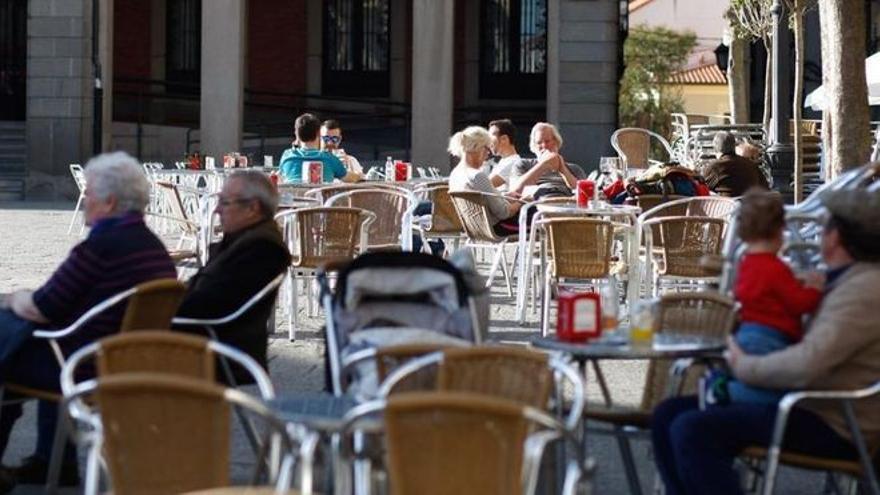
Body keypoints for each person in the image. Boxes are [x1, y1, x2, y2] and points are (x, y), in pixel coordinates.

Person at [652, 185, 880, 495]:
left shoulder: (862, 290)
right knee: (668, 414)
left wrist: (746, 366)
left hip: (835, 421)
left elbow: (808, 362)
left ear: (835, 237)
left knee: (692, 430)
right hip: (810, 405)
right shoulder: (847, 281)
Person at [0, 152, 176, 491]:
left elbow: (44, 306)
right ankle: (52, 463)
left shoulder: (101, 246)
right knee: (14, 343)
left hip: (80, 364)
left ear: (109, 202)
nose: (84, 202)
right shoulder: (153, 247)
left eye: (89, 194)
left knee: (9, 344)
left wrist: (15, 297)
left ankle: (49, 463)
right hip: (118, 360)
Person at [702, 190, 823, 406]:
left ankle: (723, 385)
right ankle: (725, 391)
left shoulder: (747, 264)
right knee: (772, 395)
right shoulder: (776, 268)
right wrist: (815, 288)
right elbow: (799, 304)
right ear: (779, 231)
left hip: (747, 331)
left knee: (756, 386)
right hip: (771, 337)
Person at [175, 170, 290, 381]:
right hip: (204, 339)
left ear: (252, 208)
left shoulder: (261, 248)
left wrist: (157, 310)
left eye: (225, 202)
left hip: (213, 349)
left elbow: (210, 304)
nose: (217, 209)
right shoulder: (244, 240)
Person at [447, 126, 523, 236]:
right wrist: (523, 201)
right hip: (497, 228)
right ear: (476, 148)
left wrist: (505, 195)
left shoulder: (455, 174)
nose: (488, 154)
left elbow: (486, 198)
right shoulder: (477, 176)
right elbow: (504, 212)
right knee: (541, 222)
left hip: (474, 228)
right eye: (487, 149)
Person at [279, 113, 362, 183]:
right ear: (319, 134)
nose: (330, 142)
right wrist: (359, 175)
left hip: (294, 201)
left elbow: (280, 177)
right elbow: (351, 178)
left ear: (297, 134)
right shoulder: (330, 158)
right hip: (320, 201)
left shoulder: (287, 156)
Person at [508, 122, 582, 198]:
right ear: (534, 146)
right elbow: (515, 190)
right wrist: (543, 164)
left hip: (566, 203)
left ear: (556, 142)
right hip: (535, 203)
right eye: (539, 143)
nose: (544, 146)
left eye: (547, 141)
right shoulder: (523, 164)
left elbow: (584, 193)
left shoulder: (574, 169)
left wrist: (562, 169)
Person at [702, 131, 768, 197]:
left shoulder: (715, 167)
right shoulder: (751, 164)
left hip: (727, 205)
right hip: (750, 204)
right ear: (734, 146)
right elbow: (765, 188)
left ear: (715, 148)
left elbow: (701, 188)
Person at [486, 119, 523, 190]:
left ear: (504, 139)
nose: (488, 142)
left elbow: (484, 186)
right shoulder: (504, 161)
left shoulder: (514, 162)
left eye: (491, 137)